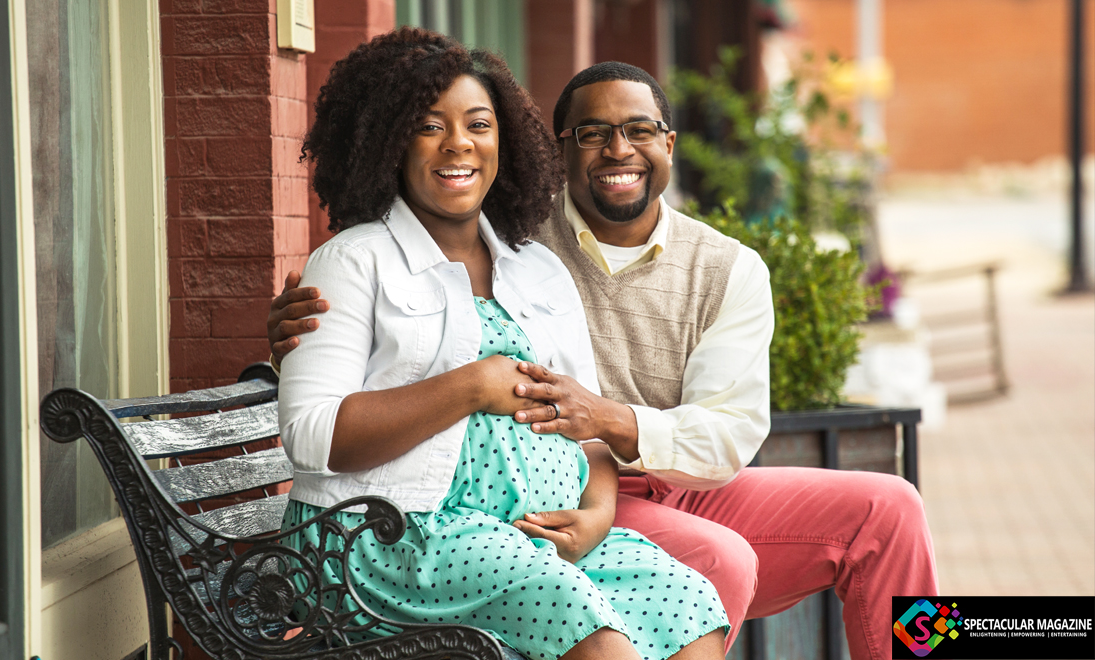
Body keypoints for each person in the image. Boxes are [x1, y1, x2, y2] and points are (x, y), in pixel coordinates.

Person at [270, 59, 939, 660]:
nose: (618, 150)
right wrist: (284, 337)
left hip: (662, 476)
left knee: (892, 507)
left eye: (640, 131)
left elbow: (729, 435)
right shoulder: (524, 235)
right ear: (556, 151)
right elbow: (376, 346)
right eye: (591, 134)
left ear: (668, 145)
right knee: (720, 563)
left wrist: (612, 424)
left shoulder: (726, 267)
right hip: (510, 508)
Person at [277, 29, 729, 660]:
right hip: (396, 535)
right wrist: (471, 386)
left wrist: (596, 514)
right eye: (430, 125)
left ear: (504, 142)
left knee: (693, 605)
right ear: (389, 141)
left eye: (478, 124)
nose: (458, 142)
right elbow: (313, 435)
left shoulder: (540, 269)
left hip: (547, 532)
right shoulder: (354, 262)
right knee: (602, 639)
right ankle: (923, 640)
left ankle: (919, 640)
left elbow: (595, 426)